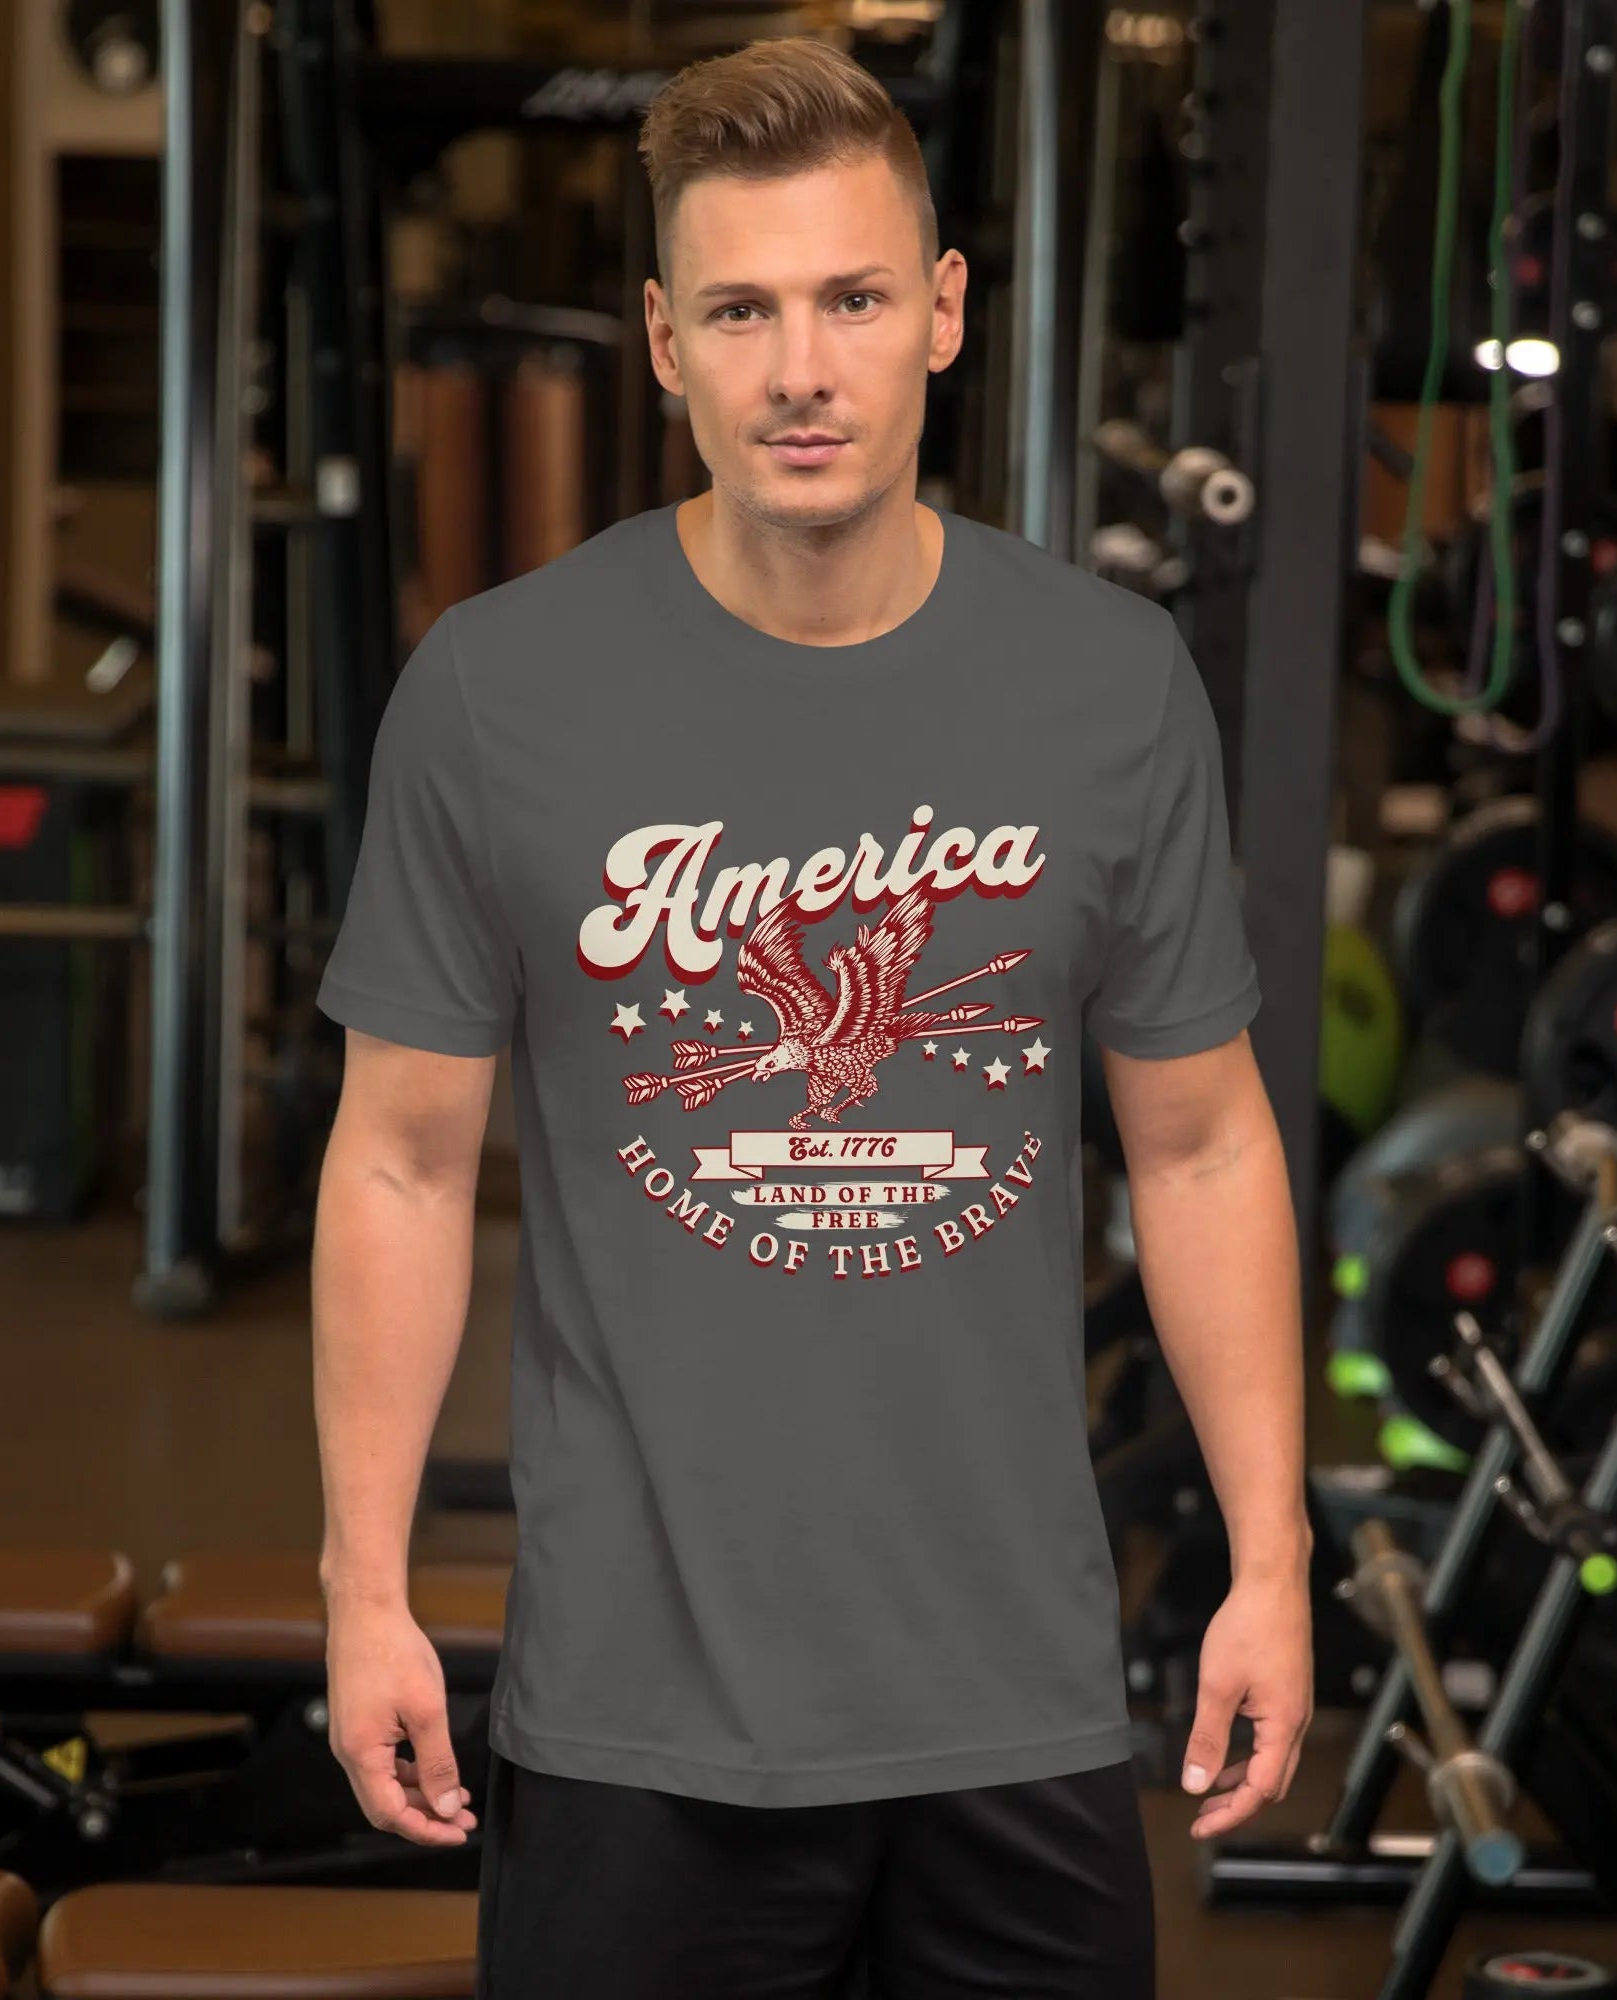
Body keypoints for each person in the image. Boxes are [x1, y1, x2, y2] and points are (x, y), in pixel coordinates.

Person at [312, 32, 1310, 1999]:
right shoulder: (499, 692)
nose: (800, 370)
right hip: (637, 1718)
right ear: (664, 339)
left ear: (940, 315)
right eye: (744, 310)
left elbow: (1201, 1140)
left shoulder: (1108, 686)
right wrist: (364, 1588)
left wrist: (1267, 1564)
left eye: (852, 298)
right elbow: (403, 1160)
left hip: (1012, 1707)